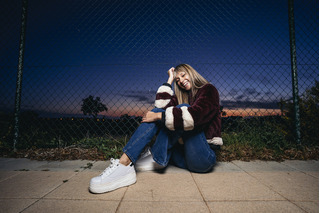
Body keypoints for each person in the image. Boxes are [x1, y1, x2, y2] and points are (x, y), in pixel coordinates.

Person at [89, 64, 223, 194]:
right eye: (178, 80)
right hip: (183, 158)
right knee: (163, 112)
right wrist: (169, 80)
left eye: (183, 75)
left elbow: (195, 117)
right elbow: (160, 105)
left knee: (177, 109)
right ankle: (140, 161)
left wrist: (158, 116)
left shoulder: (208, 89)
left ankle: (129, 162)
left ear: (191, 72)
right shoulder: (182, 95)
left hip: (203, 158)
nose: (181, 81)